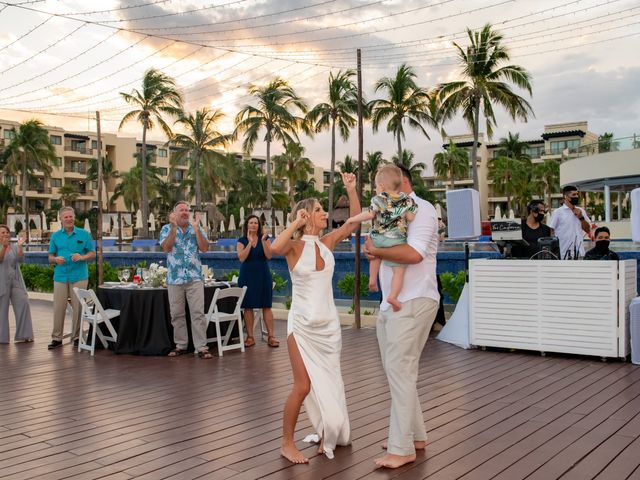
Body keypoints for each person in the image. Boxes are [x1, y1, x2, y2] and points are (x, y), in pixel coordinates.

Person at [271, 172, 360, 464]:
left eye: (323, 209)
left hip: (328, 327)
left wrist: (352, 189)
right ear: (307, 216)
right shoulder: (295, 248)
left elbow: (354, 221)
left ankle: (327, 431)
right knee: (303, 385)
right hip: (302, 326)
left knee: (329, 382)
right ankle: (286, 443)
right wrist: (295, 223)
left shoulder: (328, 243)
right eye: (319, 210)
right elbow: (274, 248)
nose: (325, 213)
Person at [363, 164, 440, 469]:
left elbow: (414, 254)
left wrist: (377, 251)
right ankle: (416, 436)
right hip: (392, 303)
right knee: (398, 372)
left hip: (414, 300)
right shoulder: (388, 211)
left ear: (402, 182)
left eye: (383, 185)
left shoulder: (421, 209)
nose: (380, 191)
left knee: (400, 369)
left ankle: (401, 447)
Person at [345, 164, 417, 312]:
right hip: (396, 240)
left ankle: (372, 279)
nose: (376, 189)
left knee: (375, 253)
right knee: (399, 271)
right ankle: (393, 296)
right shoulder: (407, 200)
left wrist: (352, 220)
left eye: (376, 186)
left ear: (382, 186)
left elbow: (369, 215)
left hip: (378, 237)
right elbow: (410, 217)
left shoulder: (378, 199)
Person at [160, 201, 212, 359]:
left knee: (198, 313)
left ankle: (201, 347)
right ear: (174, 213)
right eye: (181, 210)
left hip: (194, 278)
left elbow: (204, 248)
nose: (185, 212)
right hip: (174, 279)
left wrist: (196, 229)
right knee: (176, 314)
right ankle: (181, 345)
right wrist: (174, 228)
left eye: (186, 210)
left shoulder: (196, 228)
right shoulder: (166, 229)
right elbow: (166, 248)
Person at [47, 206, 96, 350]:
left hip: (79, 276)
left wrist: (82, 257)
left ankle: (76, 337)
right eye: (65, 217)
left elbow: (92, 253)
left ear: (74, 217)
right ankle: (57, 338)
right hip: (60, 276)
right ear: (61, 219)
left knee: (78, 308)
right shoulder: (55, 236)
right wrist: (56, 259)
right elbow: (50, 257)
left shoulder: (84, 234)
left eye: (70, 216)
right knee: (59, 307)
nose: (68, 219)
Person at [236, 214, 279, 348]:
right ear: (247, 225)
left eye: (256, 223)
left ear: (259, 226)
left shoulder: (264, 239)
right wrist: (249, 243)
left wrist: (264, 242)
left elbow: (269, 256)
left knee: (266, 305)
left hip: (263, 275)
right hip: (247, 275)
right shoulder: (241, 240)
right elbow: (241, 258)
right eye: (251, 223)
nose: (254, 225)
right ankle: (250, 337)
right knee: (248, 306)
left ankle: (271, 336)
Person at [0, 226, 33, 344]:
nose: (5, 234)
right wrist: (3, 247)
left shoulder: (13, 246)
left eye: (7, 232)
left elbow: (20, 259)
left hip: (15, 280)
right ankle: (2, 338)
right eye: (2, 232)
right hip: (1, 282)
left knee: (23, 302)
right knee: (2, 310)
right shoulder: (3, 247)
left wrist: (19, 246)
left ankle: (24, 335)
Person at [548, 185, 591, 259]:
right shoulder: (558, 212)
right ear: (566, 196)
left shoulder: (581, 211)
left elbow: (588, 230)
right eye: (574, 195)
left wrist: (581, 217)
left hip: (580, 253)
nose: (576, 196)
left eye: (577, 194)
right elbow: (550, 231)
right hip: (563, 253)